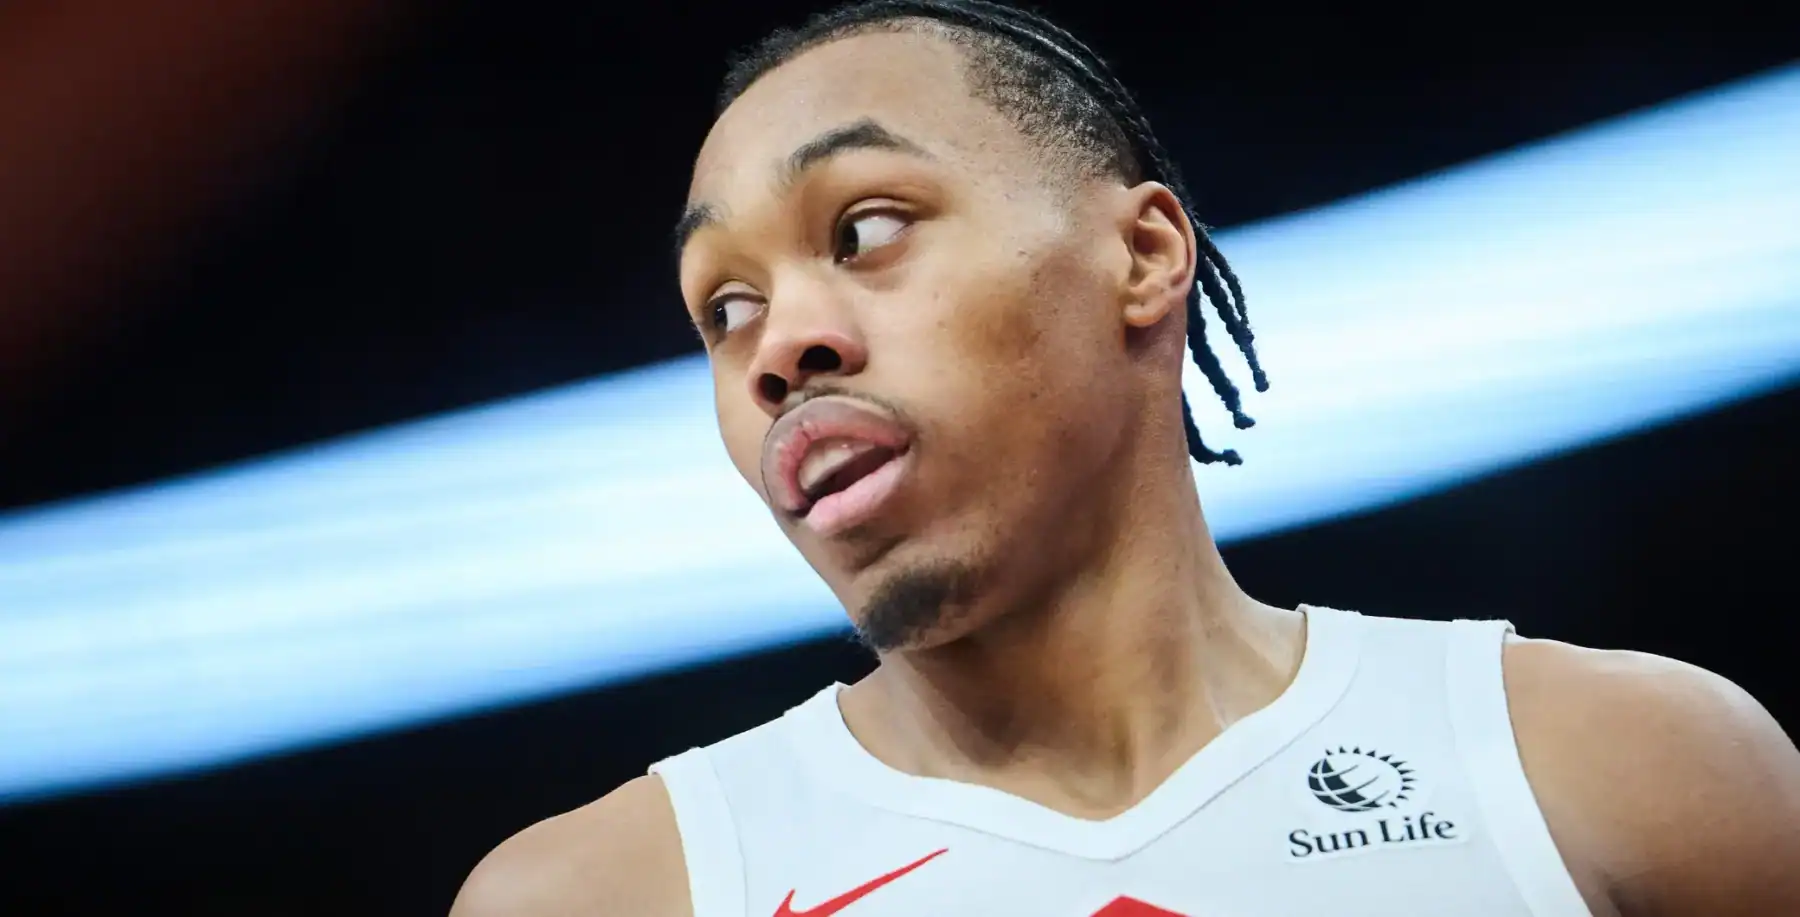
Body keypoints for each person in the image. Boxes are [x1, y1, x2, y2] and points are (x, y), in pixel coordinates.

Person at [450, 2, 1800, 914]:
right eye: (721, 306)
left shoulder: (1624, 768)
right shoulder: (609, 890)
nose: (775, 348)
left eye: (863, 230)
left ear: (1142, 255)